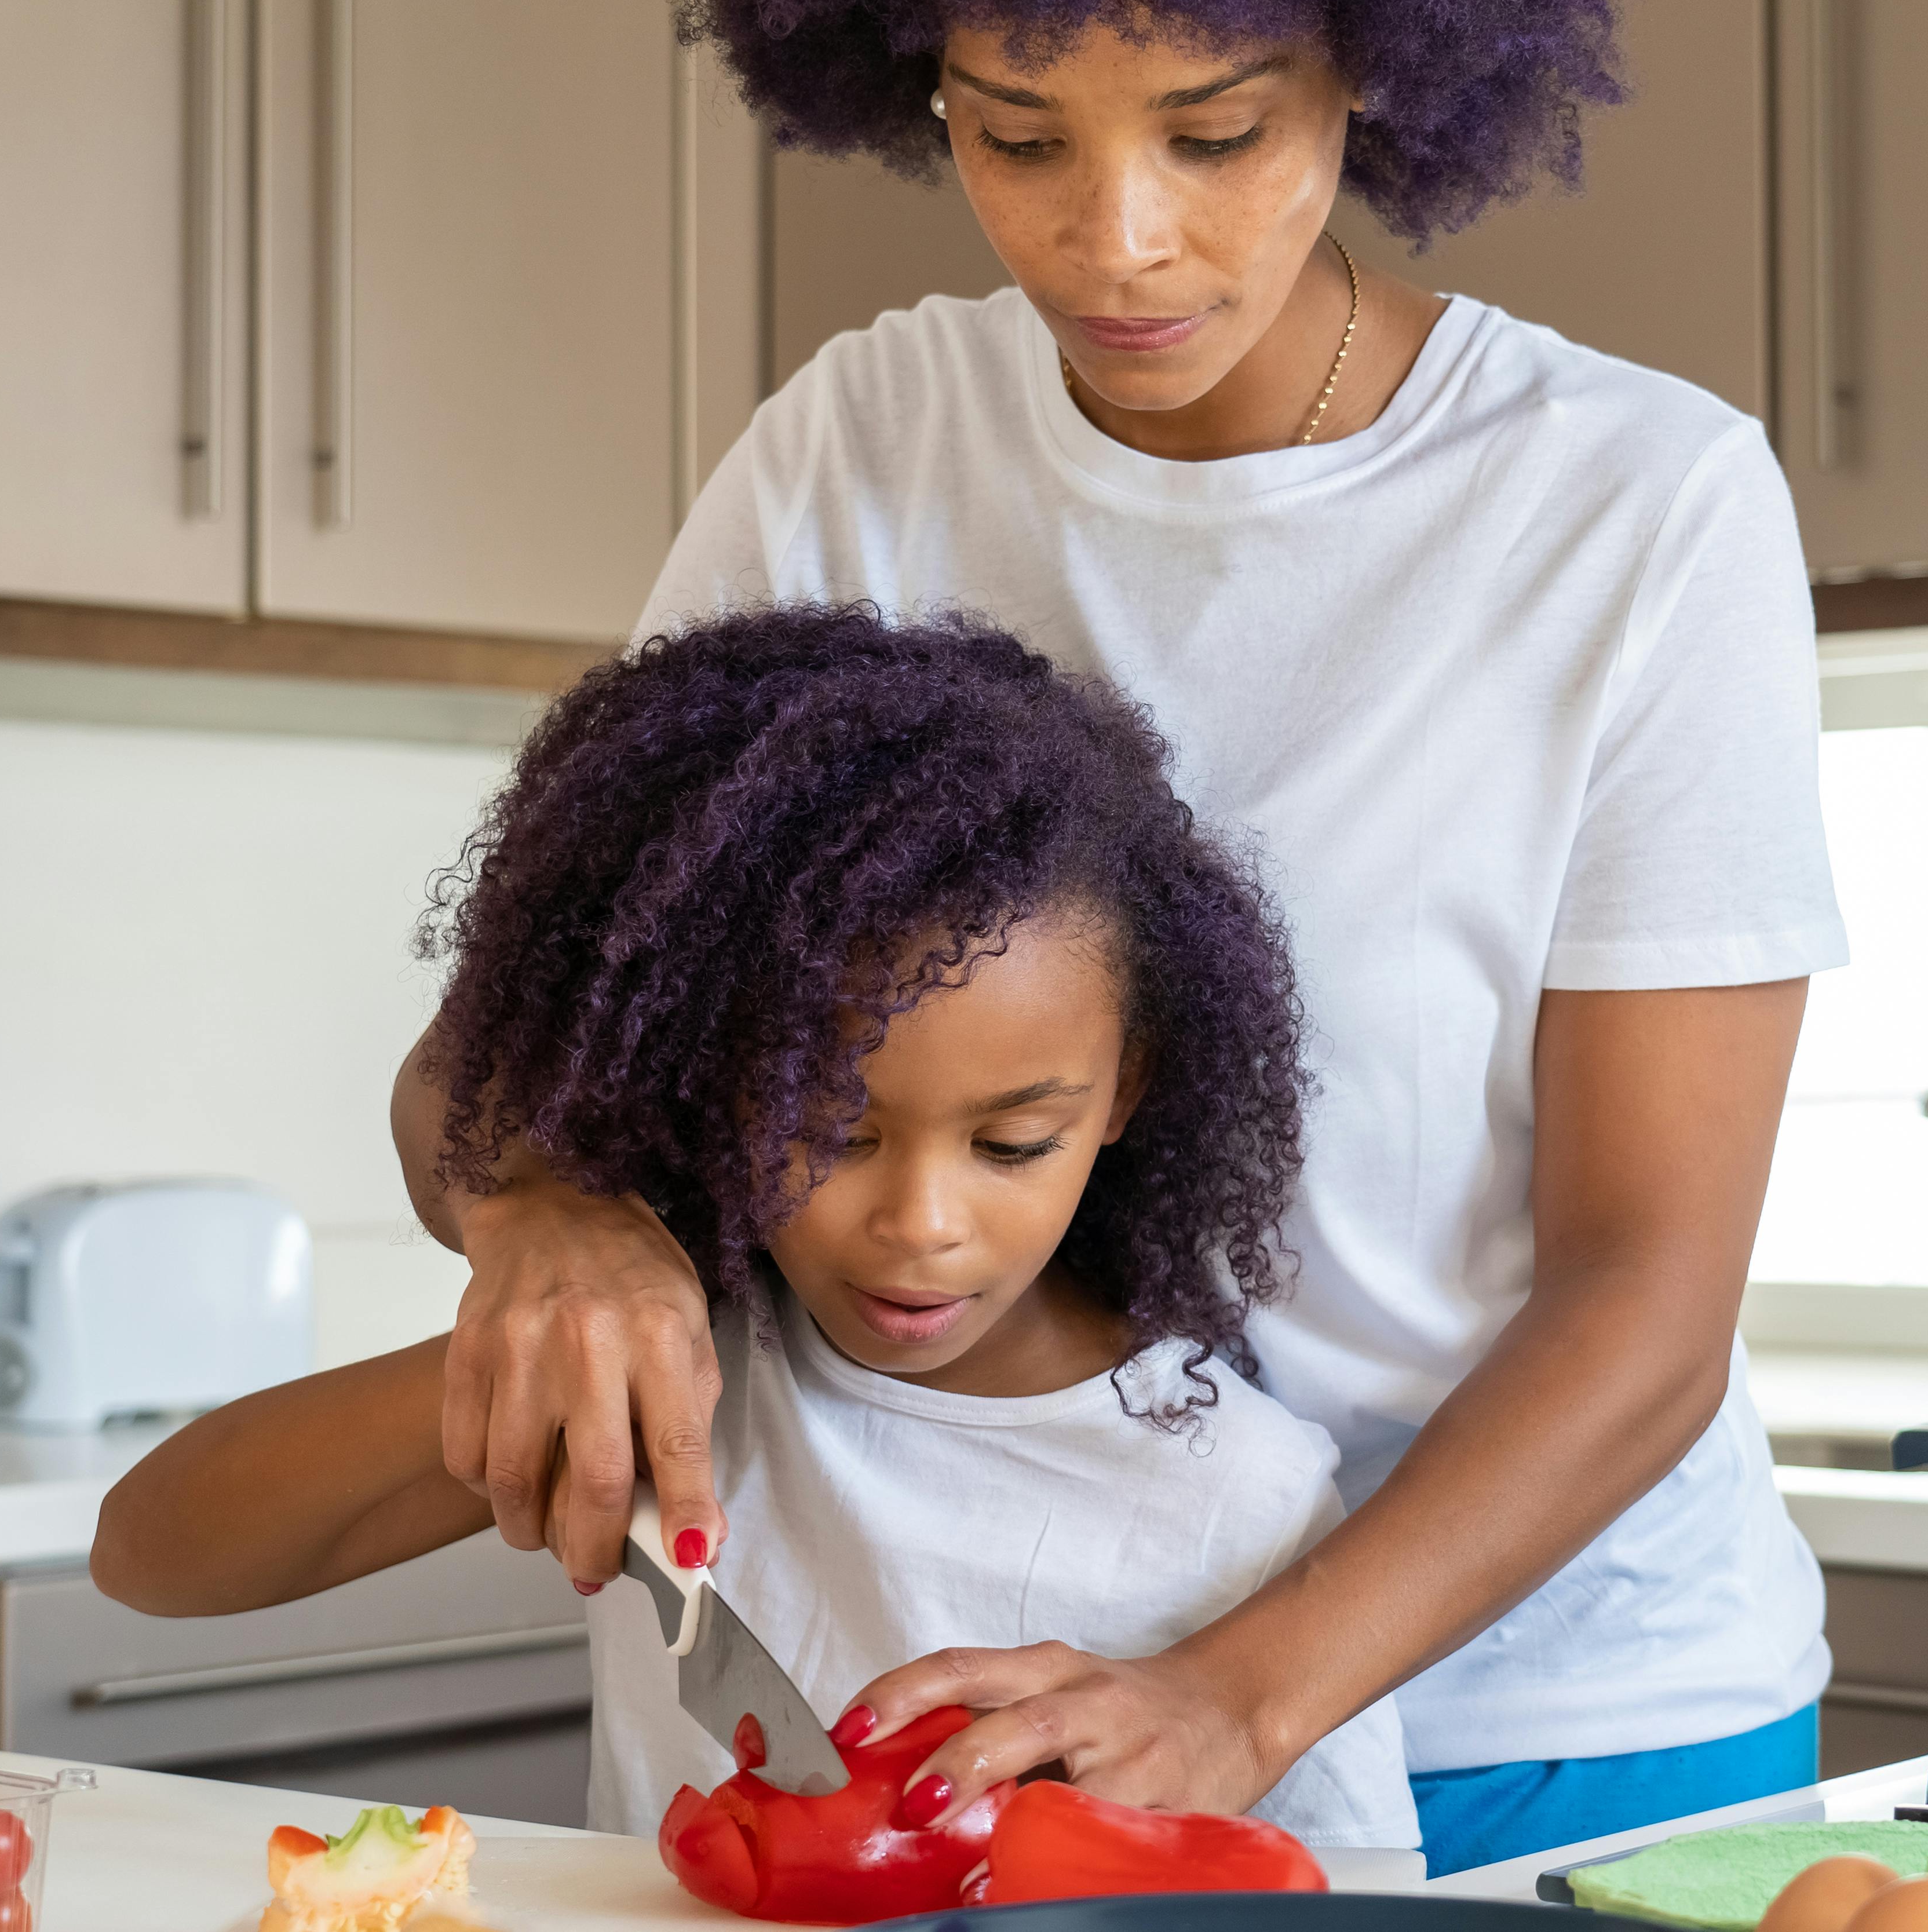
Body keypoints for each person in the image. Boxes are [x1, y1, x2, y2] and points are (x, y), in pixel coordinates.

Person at [393, 0, 1850, 1877]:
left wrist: (1239, 1692)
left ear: (1379, 51)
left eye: (1217, 129)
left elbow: (1644, 1295)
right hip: (1006, 1706)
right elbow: (518, 1041)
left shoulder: (1631, 509)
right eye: (1012, 134)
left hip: (1551, 1721)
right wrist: (550, 1209)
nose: (1114, 236)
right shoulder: (862, 447)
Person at [98, 607, 1418, 1849]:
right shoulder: (689, 1380)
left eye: (1013, 1144)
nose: (919, 1225)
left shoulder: (1234, 1494)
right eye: (830, 1130)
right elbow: (149, 1554)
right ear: (706, 1080)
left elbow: (1350, 1892)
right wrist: (549, 1329)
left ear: (1124, 1091)